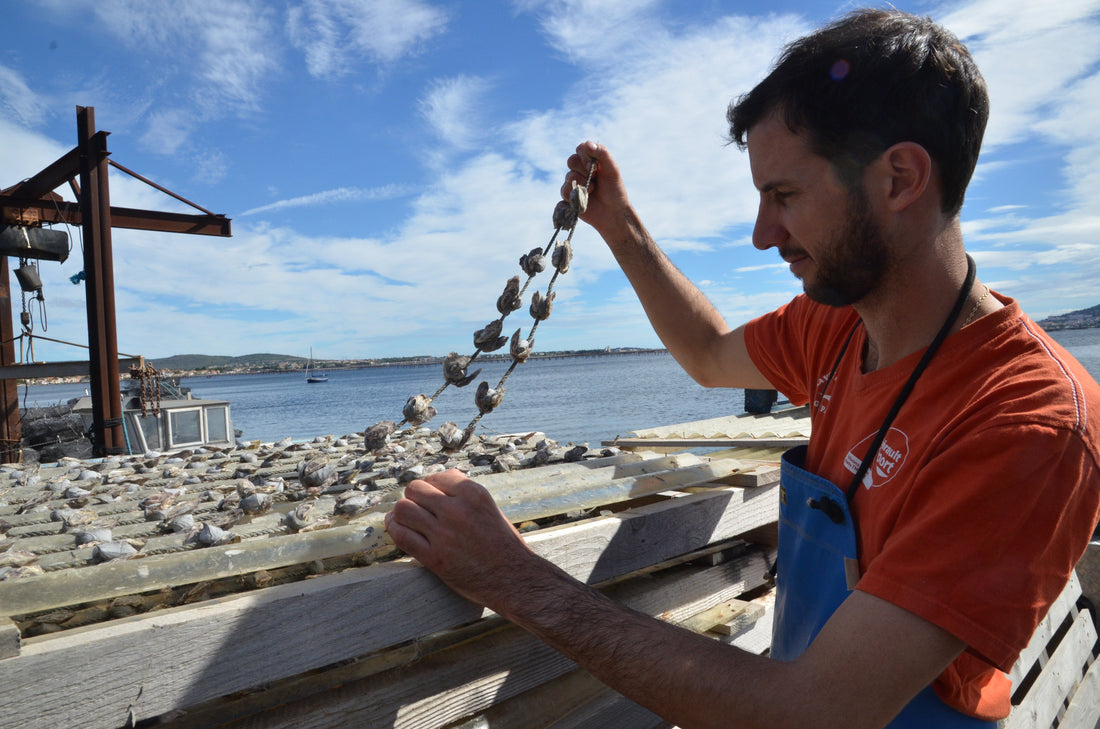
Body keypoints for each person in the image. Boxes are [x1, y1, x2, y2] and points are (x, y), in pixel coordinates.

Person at [386, 8, 1100, 728]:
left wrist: (515, 578)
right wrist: (621, 227)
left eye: (784, 196)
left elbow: (814, 711)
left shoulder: (1031, 424)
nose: (763, 236)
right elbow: (706, 354)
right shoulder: (836, 324)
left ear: (901, 179)